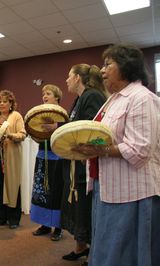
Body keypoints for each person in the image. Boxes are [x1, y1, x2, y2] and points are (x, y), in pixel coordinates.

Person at [75, 44, 160, 266]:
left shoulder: (141, 97)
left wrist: (99, 150)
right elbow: (103, 136)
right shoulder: (113, 99)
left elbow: (140, 149)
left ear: (126, 66)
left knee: (124, 252)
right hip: (107, 185)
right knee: (107, 248)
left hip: (131, 191)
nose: (102, 71)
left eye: (107, 64)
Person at [61, 64, 107, 262]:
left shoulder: (92, 96)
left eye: (69, 76)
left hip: (87, 165)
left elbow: (95, 130)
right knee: (79, 208)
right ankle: (81, 246)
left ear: (78, 78)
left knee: (86, 209)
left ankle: (92, 253)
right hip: (77, 164)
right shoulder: (80, 98)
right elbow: (74, 126)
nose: (66, 80)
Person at [0, 90, 26, 229]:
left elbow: (22, 134)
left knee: (12, 186)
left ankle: (13, 218)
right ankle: (0, 216)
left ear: (11, 103)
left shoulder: (16, 116)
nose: (2, 104)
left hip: (11, 155)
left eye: (5, 101)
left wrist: (9, 135)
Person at [28, 84, 64, 241]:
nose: (45, 96)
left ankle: (58, 227)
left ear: (56, 97)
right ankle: (44, 224)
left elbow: (65, 133)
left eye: (48, 93)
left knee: (56, 191)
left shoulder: (62, 115)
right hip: (42, 155)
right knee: (41, 191)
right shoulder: (39, 114)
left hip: (57, 157)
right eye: (43, 93)